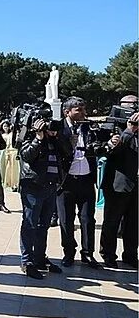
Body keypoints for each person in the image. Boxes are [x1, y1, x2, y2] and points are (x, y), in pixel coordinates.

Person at [18, 107, 69, 279]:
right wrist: (38, 138)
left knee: (44, 225)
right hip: (33, 186)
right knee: (30, 224)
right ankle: (27, 261)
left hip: (51, 186)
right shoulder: (28, 135)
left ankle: (40, 258)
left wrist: (56, 136)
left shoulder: (54, 137)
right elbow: (26, 155)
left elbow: (68, 152)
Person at [58, 96, 102, 267]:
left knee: (88, 219)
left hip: (86, 181)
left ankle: (88, 253)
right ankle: (69, 253)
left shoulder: (89, 128)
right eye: (79, 110)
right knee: (66, 220)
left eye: (84, 109)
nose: (84, 112)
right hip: (66, 182)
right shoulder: (60, 129)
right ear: (67, 112)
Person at [101, 106, 139, 268]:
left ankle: (130, 255)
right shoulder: (119, 132)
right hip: (118, 185)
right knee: (112, 221)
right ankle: (108, 255)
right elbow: (113, 151)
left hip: (136, 185)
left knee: (134, 223)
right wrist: (130, 129)